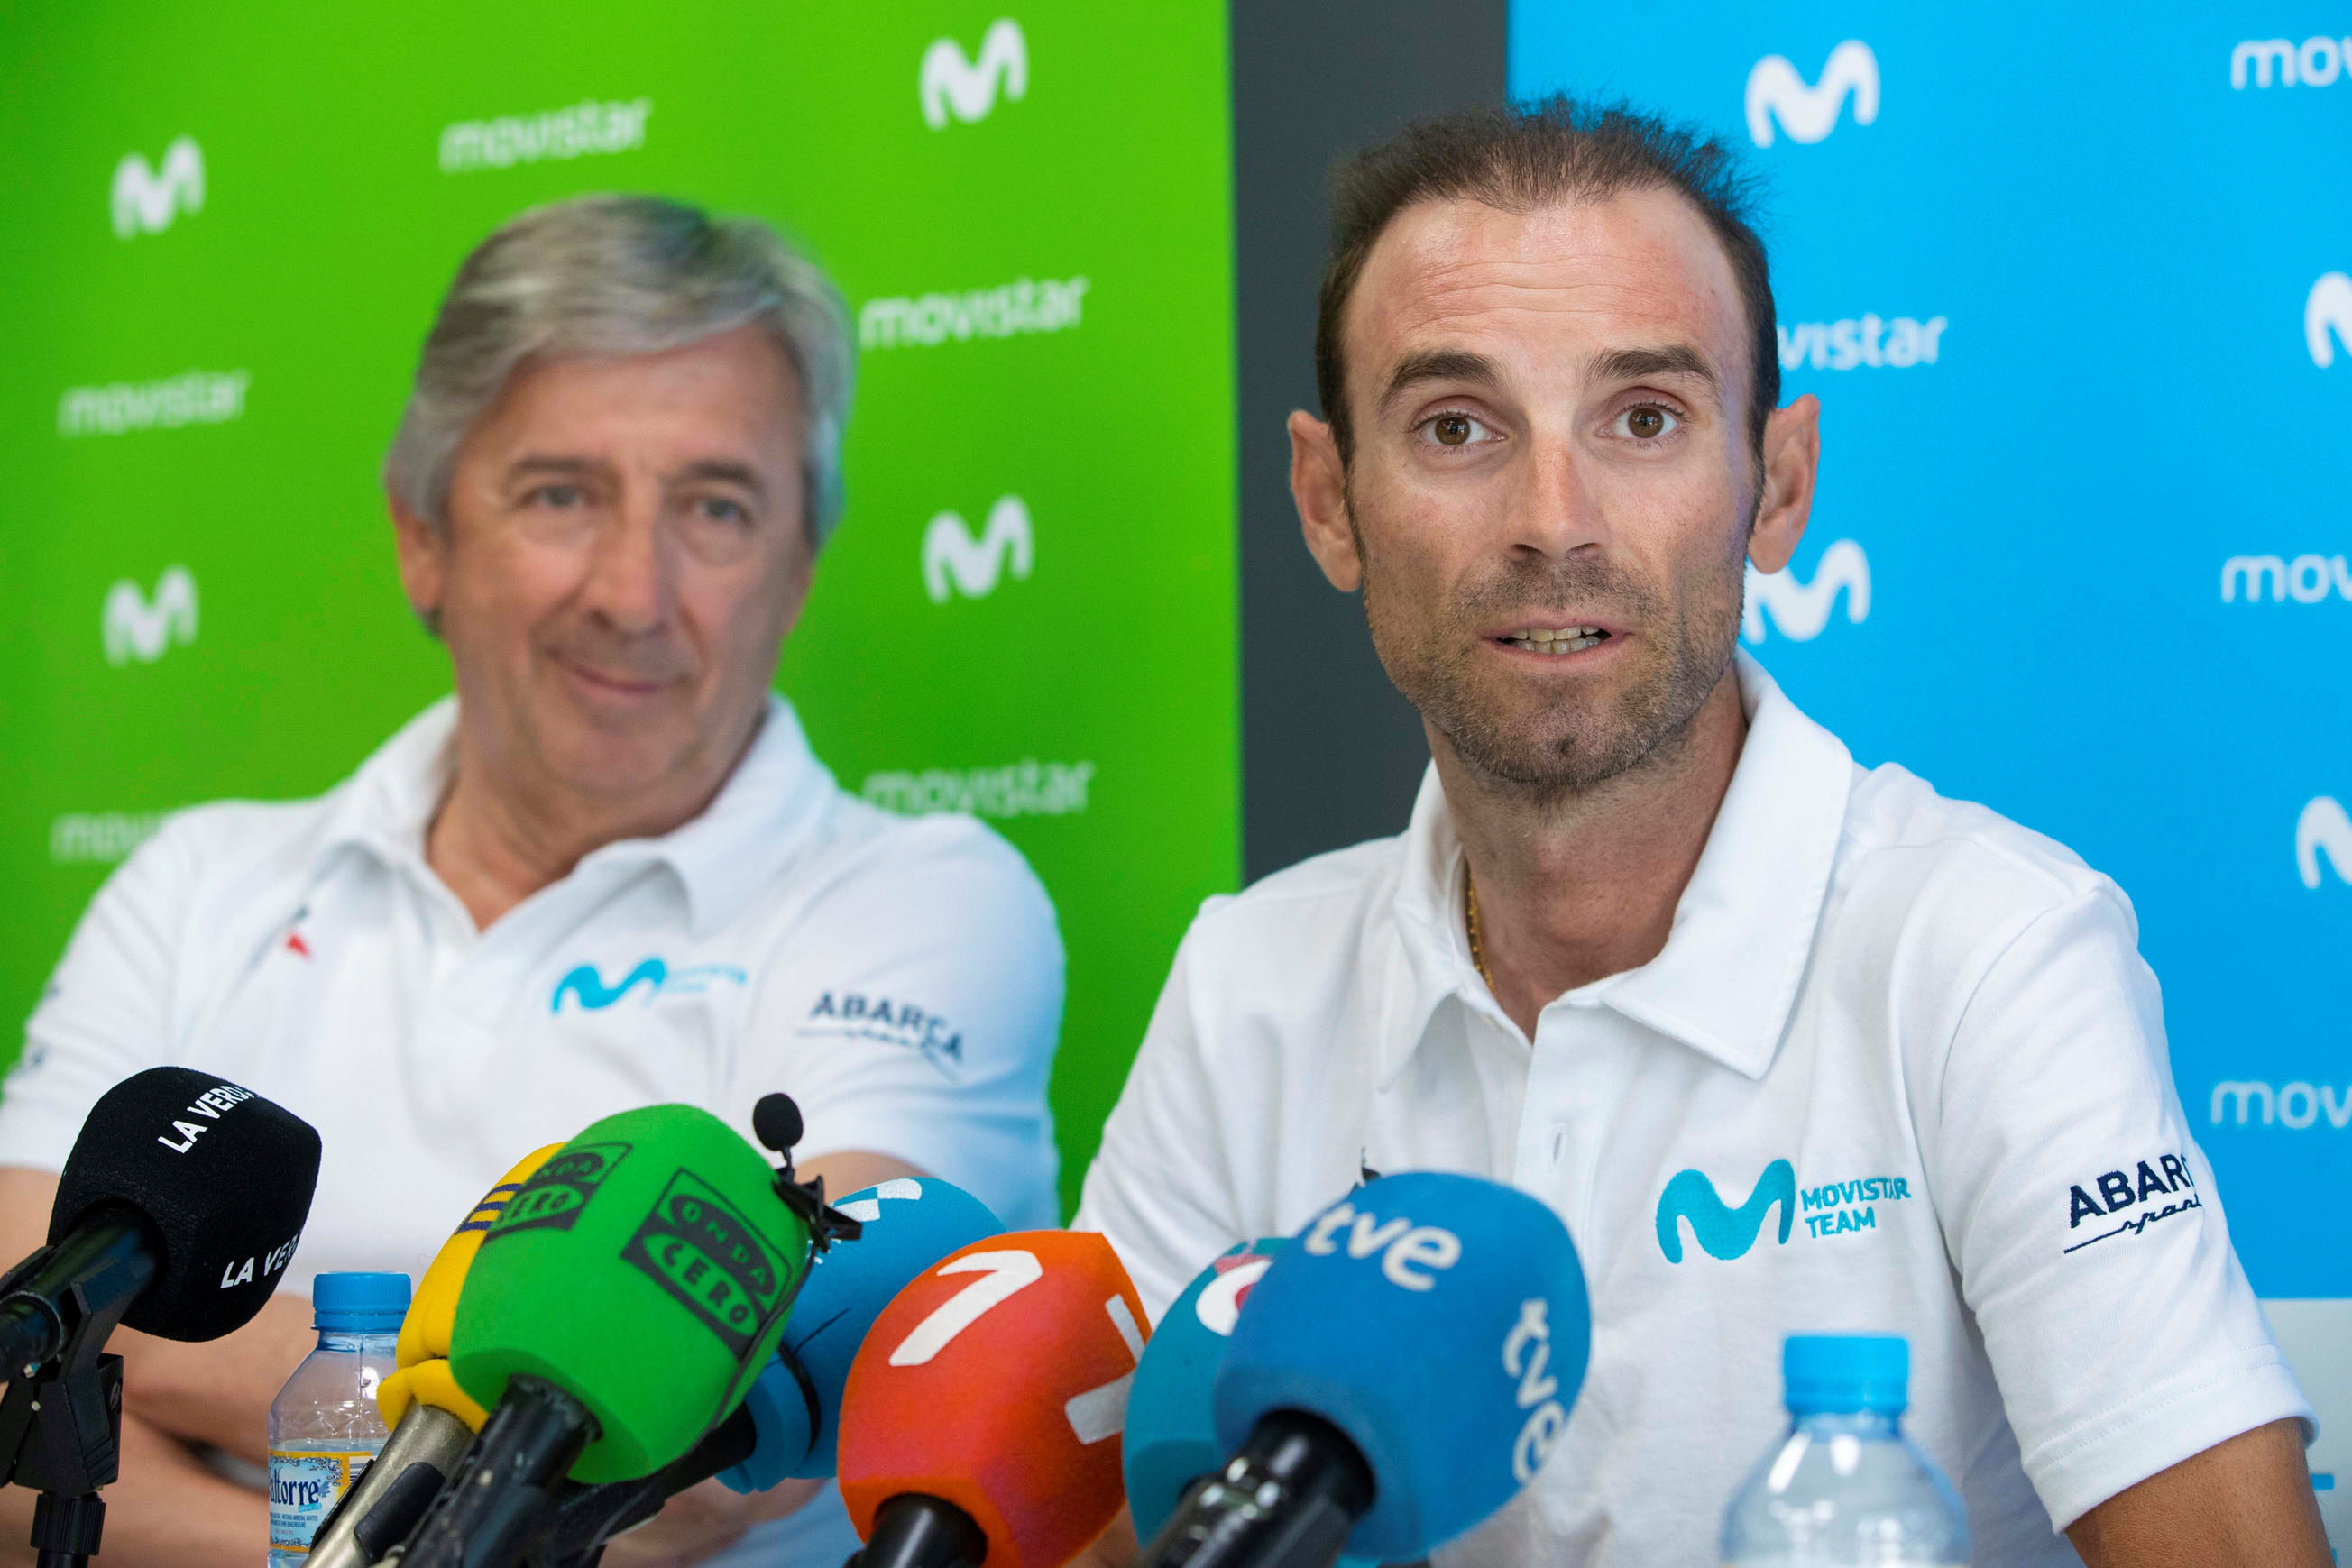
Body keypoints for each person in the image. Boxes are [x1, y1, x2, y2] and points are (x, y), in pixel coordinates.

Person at [1075, 100, 2329, 1567]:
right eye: (1458, 426)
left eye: (1646, 418)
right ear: (1328, 502)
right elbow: (1103, 1529)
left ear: (1777, 485)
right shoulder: (1249, 982)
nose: (1554, 520)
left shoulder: (1988, 949)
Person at [0, 195, 1065, 1568]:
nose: (633, 590)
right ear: (423, 538)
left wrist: (175, 1395)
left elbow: (686, 1470)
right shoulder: (199, 880)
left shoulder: (929, 901)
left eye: (717, 507)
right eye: (563, 494)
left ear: (798, 571)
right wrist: (504, 1410)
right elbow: (21, 1362)